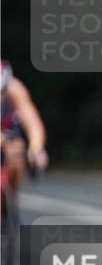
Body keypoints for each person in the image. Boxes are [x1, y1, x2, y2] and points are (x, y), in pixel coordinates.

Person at [1, 60, 49, 191]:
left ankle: (11, 201)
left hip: (9, 138)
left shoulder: (14, 88)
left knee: (16, 152)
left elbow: (32, 121)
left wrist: (36, 148)